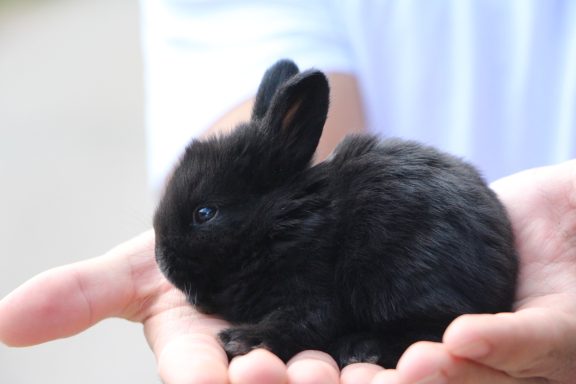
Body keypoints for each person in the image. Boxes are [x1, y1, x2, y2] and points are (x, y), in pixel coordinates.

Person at [2, 1, 576, 383]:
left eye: (204, 215)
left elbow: (309, 309)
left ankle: (413, 328)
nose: (171, 250)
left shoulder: (301, 239)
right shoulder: (293, 214)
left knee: (392, 272)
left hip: (471, 262)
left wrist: (264, 335)